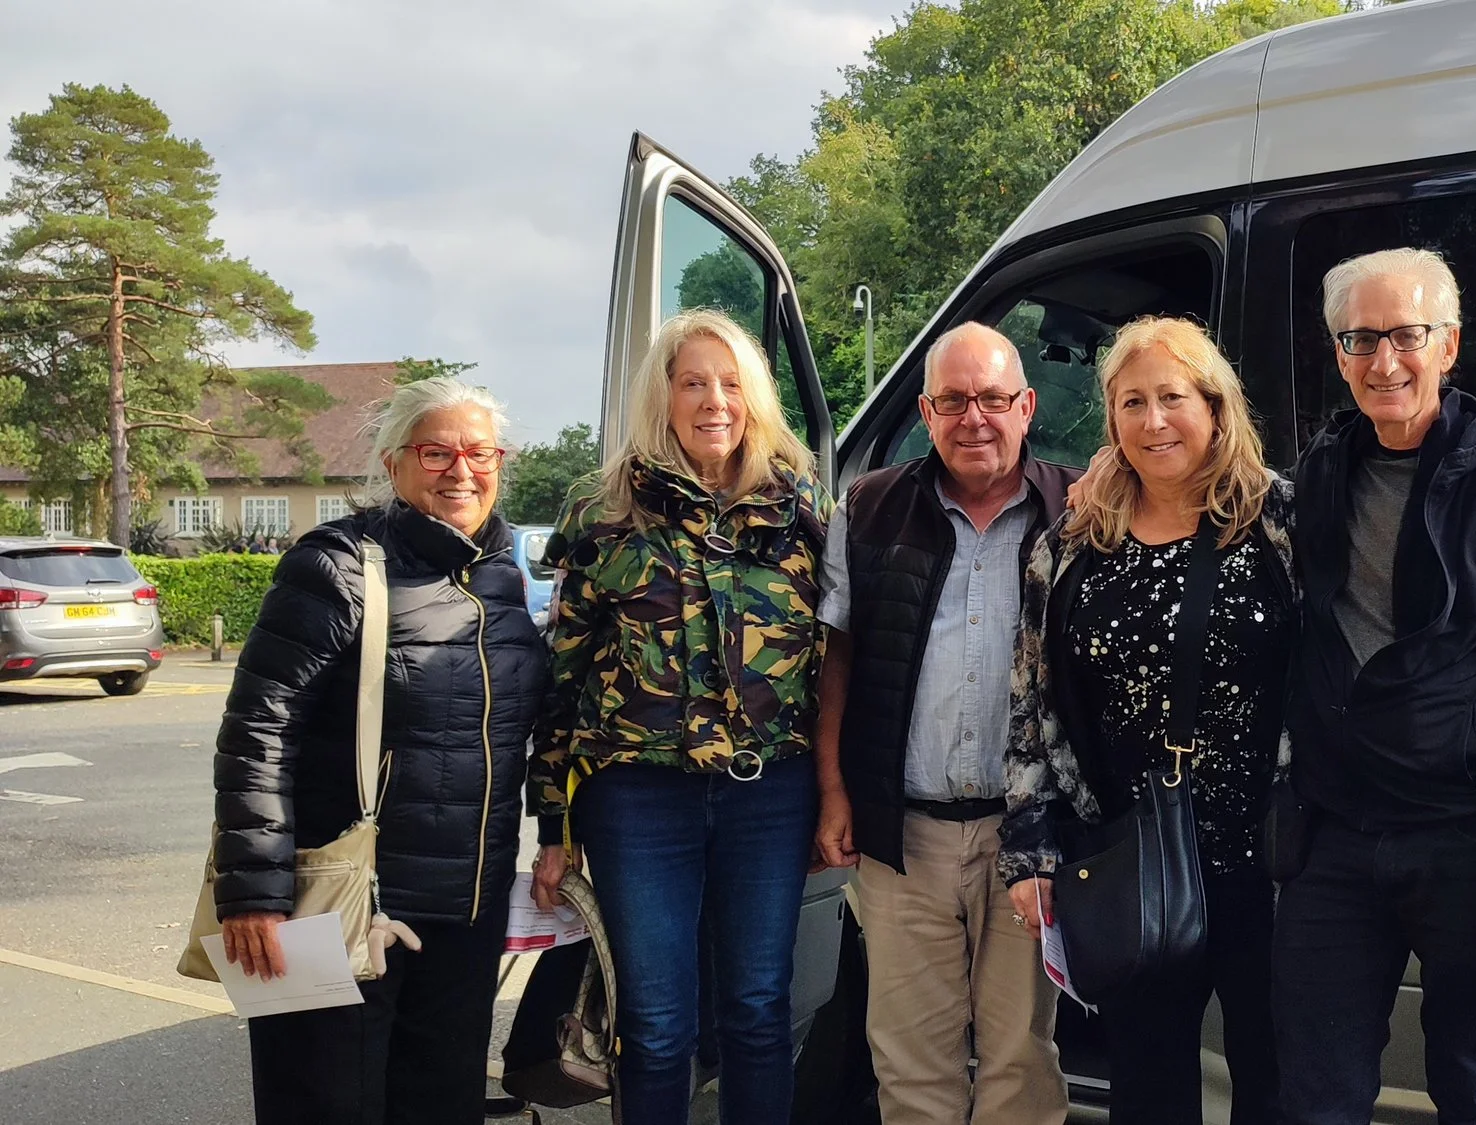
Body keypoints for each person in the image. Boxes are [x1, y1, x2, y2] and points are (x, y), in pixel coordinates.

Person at [1273, 247, 1476, 1123]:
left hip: (1469, 846)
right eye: (1360, 339)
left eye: (1406, 335)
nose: (1385, 362)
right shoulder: (1320, 473)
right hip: (1336, 842)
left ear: (1448, 346)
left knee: (1473, 1090)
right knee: (1313, 1094)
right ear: (1338, 353)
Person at [213, 378, 549, 1125]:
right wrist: (254, 897)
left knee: (440, 1100)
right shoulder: (335, 566)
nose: (461, 469)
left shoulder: (499, 575)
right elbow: (258, 732)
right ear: (394, 464)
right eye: (437, 451)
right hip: (337, 897)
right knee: (324, 1101)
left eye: (479, 452)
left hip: (464, 910)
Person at [530, 309, 829, 1125]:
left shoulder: (800, 504)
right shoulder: (603, 510)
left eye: (731, 383)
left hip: (769, 795)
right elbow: (561, 678)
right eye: (693, 382)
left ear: (756, 397)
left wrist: (837, 795)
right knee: (656, 1026)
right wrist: (551, 823)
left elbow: (835, 659)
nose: (714, 401)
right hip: (637, 798)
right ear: (662, 396)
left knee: (759, 1011)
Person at [998, 316, 1295, 1123]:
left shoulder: (1276, 522)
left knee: (1277, 1083)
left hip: (1264, 863)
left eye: (1173, 397)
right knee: (1148, 1088)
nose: (1154, 420)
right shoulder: (1070, 543)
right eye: (1133, 402)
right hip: (1130, 859)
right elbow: (1029, 703)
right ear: (1112, 419)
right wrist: (1029, 852)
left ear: (1215, 406)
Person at [812, 321, 1077, 1125]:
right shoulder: (866, 507)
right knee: (909, 1061)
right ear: (925, 411)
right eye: (954, 400)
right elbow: (837, 660)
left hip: (1028, 836)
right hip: (904, 836)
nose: (975, 418)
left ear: (1026, 405)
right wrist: (832, 788)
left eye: (994, 398)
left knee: (1020, 1058)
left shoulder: (1079, 508)